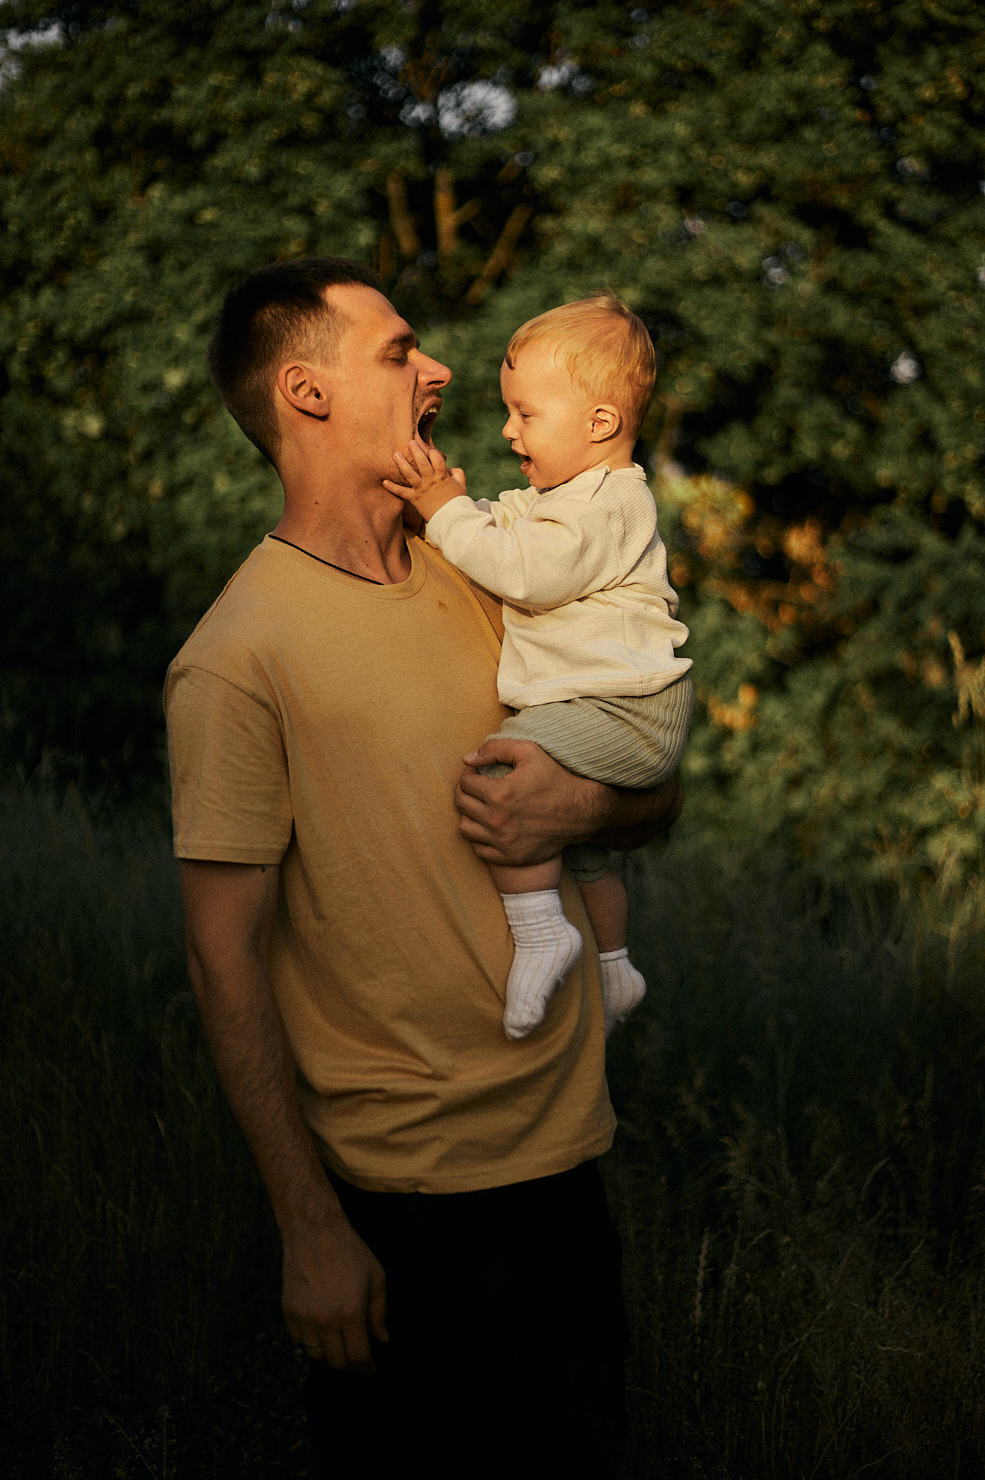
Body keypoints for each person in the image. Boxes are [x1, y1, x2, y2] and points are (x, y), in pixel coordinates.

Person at [165, 257, 682, 1479]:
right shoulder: (236, 655)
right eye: (400, 352)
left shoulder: (493, 564)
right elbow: (221, 956)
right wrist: (308, 1229)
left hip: (566, 1166)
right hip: (396, 1210)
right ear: (307, 392)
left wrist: (593, 797)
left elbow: (649, 787)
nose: (440, 368)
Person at [383, 293, 692, 1041]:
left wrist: (445, 514)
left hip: (625, 707)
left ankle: (541, 932)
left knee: (503, 772)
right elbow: (507, 528)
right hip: (613, 702)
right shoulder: (572, 498)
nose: (507, 429)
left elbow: (528, 572)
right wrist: (455, 508)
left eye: (526, 414)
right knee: (584, 852)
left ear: (601, 424)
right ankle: (615, 967)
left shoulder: (612, 505)